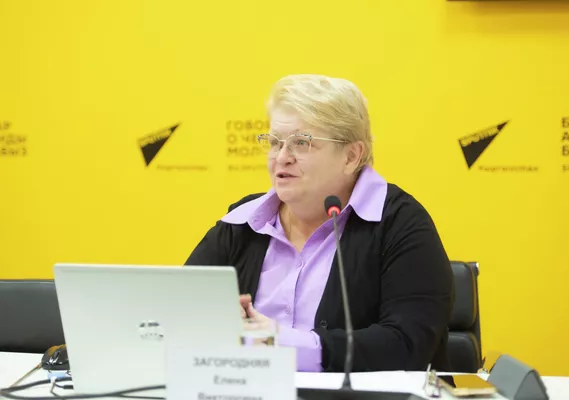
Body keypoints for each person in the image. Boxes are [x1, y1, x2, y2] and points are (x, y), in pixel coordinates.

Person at [185, 74, 455, 373]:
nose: (282, 157)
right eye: (274, 143)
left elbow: (407, 345)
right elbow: (178, 314)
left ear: (351, 156)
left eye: (301, 143)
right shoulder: (242, 222)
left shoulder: (399, 223)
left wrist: (285, 345)